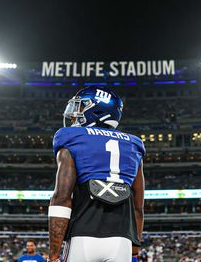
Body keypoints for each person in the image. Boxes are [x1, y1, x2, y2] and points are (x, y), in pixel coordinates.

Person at [48, 86, 145, 262]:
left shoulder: (71, 136)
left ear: (97, 109)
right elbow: (138, 207)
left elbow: (61, 198)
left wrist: (54, 253)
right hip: (122, 239)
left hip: (83, 234)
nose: (73, 114)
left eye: (81, 106)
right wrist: (135, 245)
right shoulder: (134, 144)